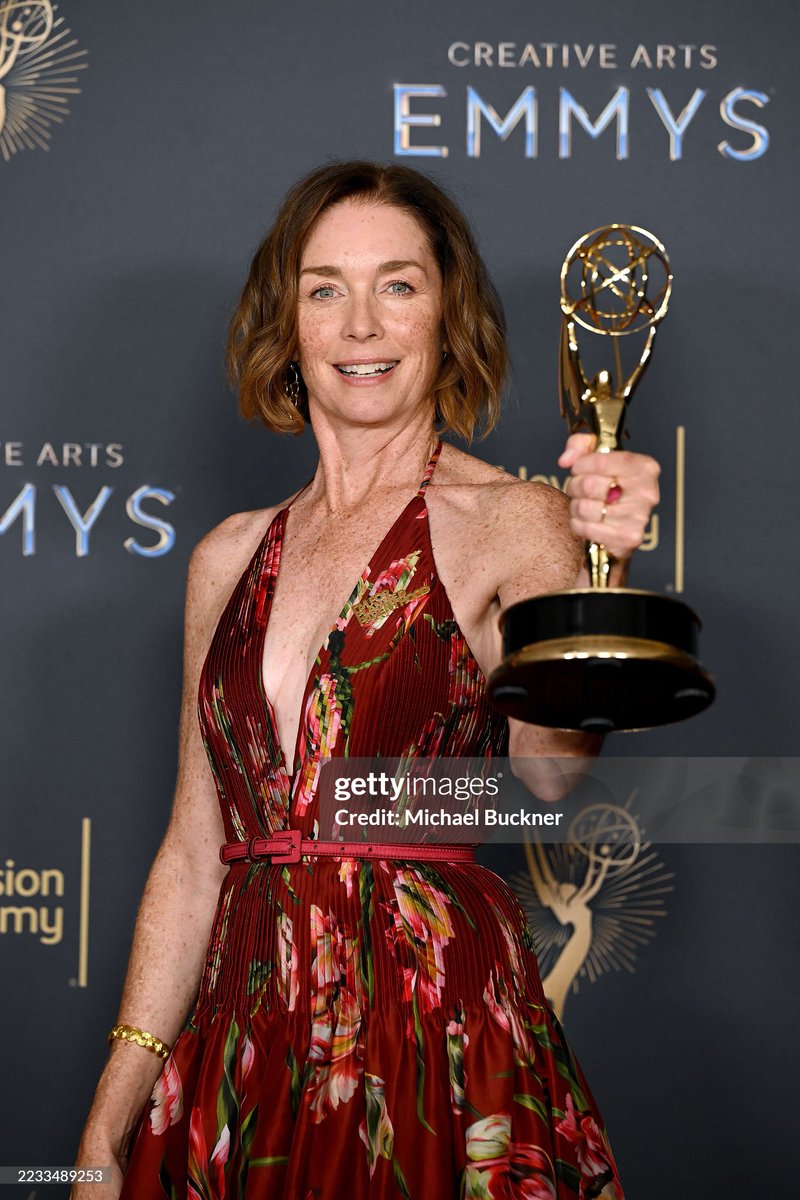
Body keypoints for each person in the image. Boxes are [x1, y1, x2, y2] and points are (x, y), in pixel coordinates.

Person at [72, 160, 659, 1200]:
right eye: (324, 288)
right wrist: (110, 1116)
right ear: (285, 321)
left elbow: (549, 775)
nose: (360, 326)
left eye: (397, 284)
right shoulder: (225, 557)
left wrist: (597, 590)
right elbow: (193, 850)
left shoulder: (512, 521)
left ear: (446, 316)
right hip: (243, 1043)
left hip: (425, 1030)